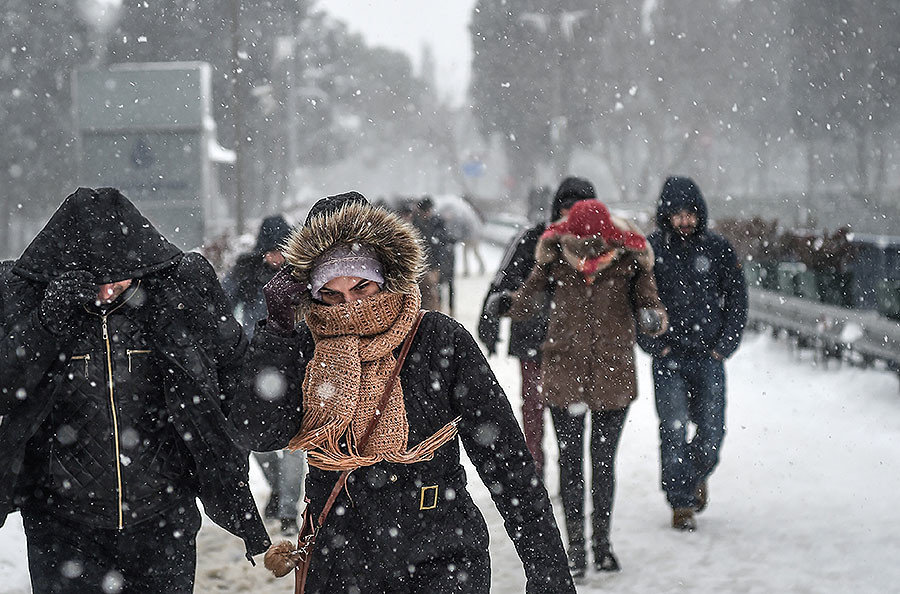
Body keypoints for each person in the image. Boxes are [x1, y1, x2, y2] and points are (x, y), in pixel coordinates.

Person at [230, 192, 575, 593]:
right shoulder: (304, 345)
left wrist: (547, 569)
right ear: (311, 292)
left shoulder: (438, 340)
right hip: (341, 560)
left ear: (387, 276)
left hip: (442, 556)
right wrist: (277, 332)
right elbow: (259, 431)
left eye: (362, 288)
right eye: (332, 295)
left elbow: (507, 461)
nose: (350, 307)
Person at [0, 187, 269, 593]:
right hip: (62, 524)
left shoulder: (179, 293)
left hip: (163, 517)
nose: (107, 290)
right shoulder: (24, 296)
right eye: (95, 280)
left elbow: (235, 370)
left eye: (117, 278)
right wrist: (46, 325)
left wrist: (230, 452)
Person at [507, 196, 668, 577]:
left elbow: (653, 306)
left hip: (613, 374)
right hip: (565, 373)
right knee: (571, 463)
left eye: (595, 242)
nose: (586, 252)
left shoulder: (629, 262)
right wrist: (507, 303)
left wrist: (651, 317)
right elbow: (526, 304)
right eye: (579, 243)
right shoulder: (555, 261)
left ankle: (601, 544)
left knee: (603, 462)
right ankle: (576, 549)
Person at [637, 176, 748, 531]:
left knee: (712, 431)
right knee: (673, 429)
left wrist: (723, 347)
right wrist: (656, 344)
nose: (684, 221)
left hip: (708, 356)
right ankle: (681, 502)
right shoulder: (651, 251)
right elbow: (637, 301)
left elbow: (737, 299)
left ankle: (696, 473)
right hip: (669, 356)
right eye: (677, 214)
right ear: (666, 215)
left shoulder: (718, 249)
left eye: (690, 214)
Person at [477, 179, 589, 475]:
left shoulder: (597, 247)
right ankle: (534, 471)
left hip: (572, 349)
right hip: (533, 342)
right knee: (534, 412)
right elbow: (504, 281)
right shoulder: (532, 239)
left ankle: (569, 474)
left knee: (569, 419)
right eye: (566, 208)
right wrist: (490, 321)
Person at [223, 214, 306, 535]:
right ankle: (278, 490)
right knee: (253, 440)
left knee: (292, 443)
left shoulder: (301, 274)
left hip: (294, 366)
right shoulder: (246, 271)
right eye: (271, 250)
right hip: (253, 365)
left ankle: (288, 510)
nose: (276, 257)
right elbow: (221, 304)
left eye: (282, 249)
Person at [412, 195, 454, 313]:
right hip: (423, 262)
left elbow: (441, 244)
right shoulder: (416, 223)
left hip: (436, 261)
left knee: (439, 287)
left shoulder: (437, 223)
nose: (426, 214)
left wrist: (436, 265)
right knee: (428, 290)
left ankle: (441, 310)